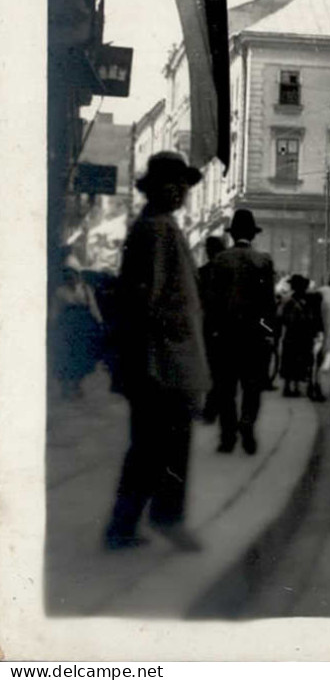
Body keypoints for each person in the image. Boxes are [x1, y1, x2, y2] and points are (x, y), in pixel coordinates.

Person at [103, 152, 210, 552]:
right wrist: (161, 348)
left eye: (183, 184)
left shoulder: (160, 226)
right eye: (175, 183)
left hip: (163, 357)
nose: (181, 190)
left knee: (153, 446)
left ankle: (128, 525)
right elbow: (145, 298)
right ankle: (157, 519)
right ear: (159, 187)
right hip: (161, 359)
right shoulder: (156, 230)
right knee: (161, 445)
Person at [201, 210, 278, 454]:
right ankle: (247, 425)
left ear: (232, 234)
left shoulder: (220, 260)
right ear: (252, 235)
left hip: (224, 336)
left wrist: (211, 331)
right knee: (252, 386)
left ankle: (227, 436)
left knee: (225, 387)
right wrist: (268, 332)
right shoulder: (263, 261)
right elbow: (268, 304)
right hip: (254, 336)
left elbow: (211, 302)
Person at [50, 259, 105, 400]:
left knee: (82, 357)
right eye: (67, 276)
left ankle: (77, 385)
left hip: (83, 327)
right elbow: (55, 311)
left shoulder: (86, 289)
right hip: (67, 328)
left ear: (78, 275)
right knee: (67, 357)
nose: (71, 278)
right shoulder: (60, 292)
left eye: (73, 275)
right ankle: (65, 387)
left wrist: (99, 322)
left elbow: (93, 307)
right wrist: (53, 325)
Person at [196, 235, 227, 421]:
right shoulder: (228, 271)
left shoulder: (201, 272)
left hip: (206, 325)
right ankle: (214, 406)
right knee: (220, 369)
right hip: (224, 325)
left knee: (208, 365)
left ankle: (209, 406)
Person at [277, 276, 319, 398]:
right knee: (299, 361)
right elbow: (311, 317)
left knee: (289, 360)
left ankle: (287, 386)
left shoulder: (287, 299)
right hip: (302, 335)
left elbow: (280, 315)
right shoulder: (306, 300)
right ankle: (294, 387)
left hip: (291, 334)